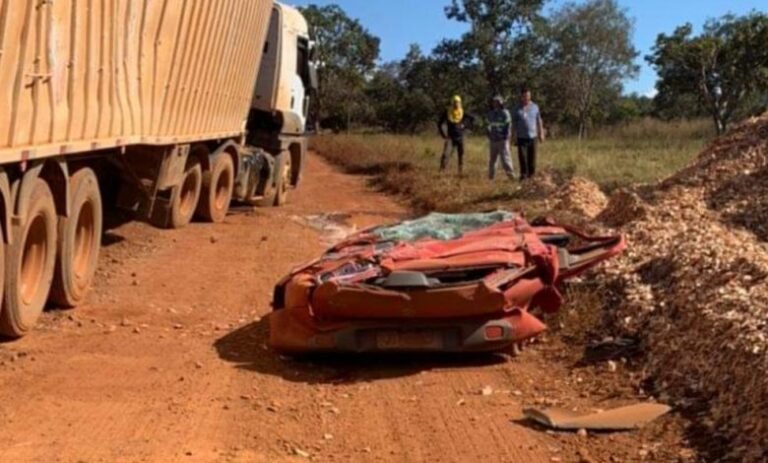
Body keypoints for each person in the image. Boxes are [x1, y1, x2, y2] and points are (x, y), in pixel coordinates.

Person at [513, 86, 545, 180]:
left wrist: (541, 133)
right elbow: (514, 123)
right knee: (523, 158)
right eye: (525, 96)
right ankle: (523, 176)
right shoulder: (517, 108)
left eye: (528, 96)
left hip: (533, 137)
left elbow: (539, 120)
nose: (527, 98)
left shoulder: (535, 107)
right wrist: (513, 136)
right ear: (521, 96)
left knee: (532, 159)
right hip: (521, 137)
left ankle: (532, 177)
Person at [438, 95, 473, 176]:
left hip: (460, 137)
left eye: (458, 102)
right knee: (446, 154)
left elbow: (472, 119)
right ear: (452, 103)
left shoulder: (462, 112)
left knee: (461, 155)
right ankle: (441, 171)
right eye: (455, 102)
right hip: (450, 137)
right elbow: (439, 123)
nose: (456, 104)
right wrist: (443, 135)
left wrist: (464, 124)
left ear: (460, 103)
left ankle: (460, 172)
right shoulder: (447, 112)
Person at [487, 95, 515, 181]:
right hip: (493, 139)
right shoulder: (491, 113)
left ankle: (511, 176)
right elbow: (488, 125)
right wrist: (488, 133)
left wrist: (506, 136)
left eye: (497, 102)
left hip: (502, 140)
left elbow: (508, 125)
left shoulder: (505, 113)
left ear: (501, 103)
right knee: (492, 160)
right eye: (494, 102)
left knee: (505, 159)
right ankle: (491, 178)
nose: (495, 104)